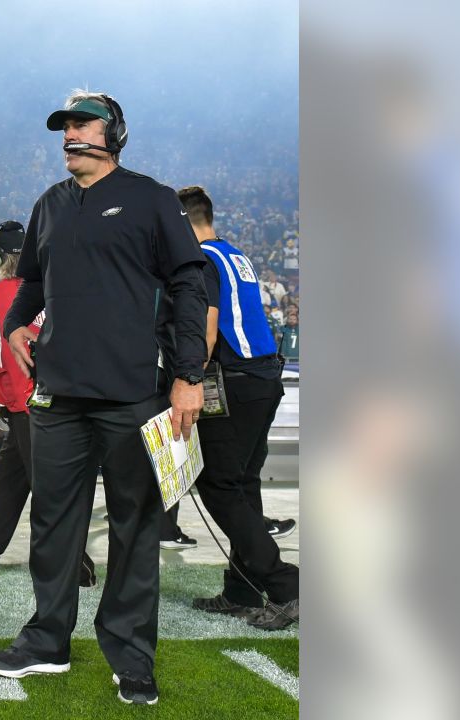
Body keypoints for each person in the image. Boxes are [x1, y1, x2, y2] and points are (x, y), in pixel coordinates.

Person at [0, 91, 208, 708]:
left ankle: (131, 657)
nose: (70, 135)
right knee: (54, 524)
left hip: (133, 393)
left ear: (114, 133)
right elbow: (31, 283)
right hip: (58, 395)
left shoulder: (151, 198)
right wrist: (14, 326)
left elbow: (190, 282)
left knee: (135, 529)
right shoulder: (49, 205)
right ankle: (48, 640)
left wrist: (190, 374)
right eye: (64, 127)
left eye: (82, 125)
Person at [0, 221, 96, 584]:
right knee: (10, 480)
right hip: (52, 400)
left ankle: (78, 566)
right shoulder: (52, 289)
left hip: (27, 404)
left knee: (48, 489)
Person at [177, 185, 299, 630]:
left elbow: (207, 329)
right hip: (264, 379)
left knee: (219, 485)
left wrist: (188, 378)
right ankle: (242, 588)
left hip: (235, 382)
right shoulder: (235, 256)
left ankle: (287, 585)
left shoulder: (202, 259)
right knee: (244, 484)